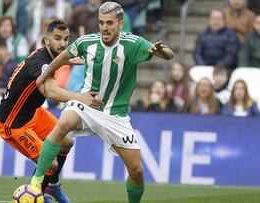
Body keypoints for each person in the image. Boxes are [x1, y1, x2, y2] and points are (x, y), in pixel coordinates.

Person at [31, 2, 173, 203]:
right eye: (101, 22)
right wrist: (43, 76)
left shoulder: (133, 44)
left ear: (120, 24)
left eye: (110, 23)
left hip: (116, 115)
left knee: (136, 170)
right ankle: (36, 184)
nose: (104, 27)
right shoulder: (86, 42)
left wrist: (161, 51)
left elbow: (168, 55)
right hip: (87, 104)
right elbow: (61, 58)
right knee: (63, 124)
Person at [0, 20, 102, 203]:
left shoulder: (50, 57)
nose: (62, 43)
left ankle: (53, 187)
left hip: (32, 113)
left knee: (67, 142)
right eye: (57, 38)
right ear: (46, 40)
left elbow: (58, 61)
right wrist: (79, 97)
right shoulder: (40, 63)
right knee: (50, 164)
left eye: (66, 39)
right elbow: (51, 92)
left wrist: (70, 60)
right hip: (12, 123)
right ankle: (38, 196)